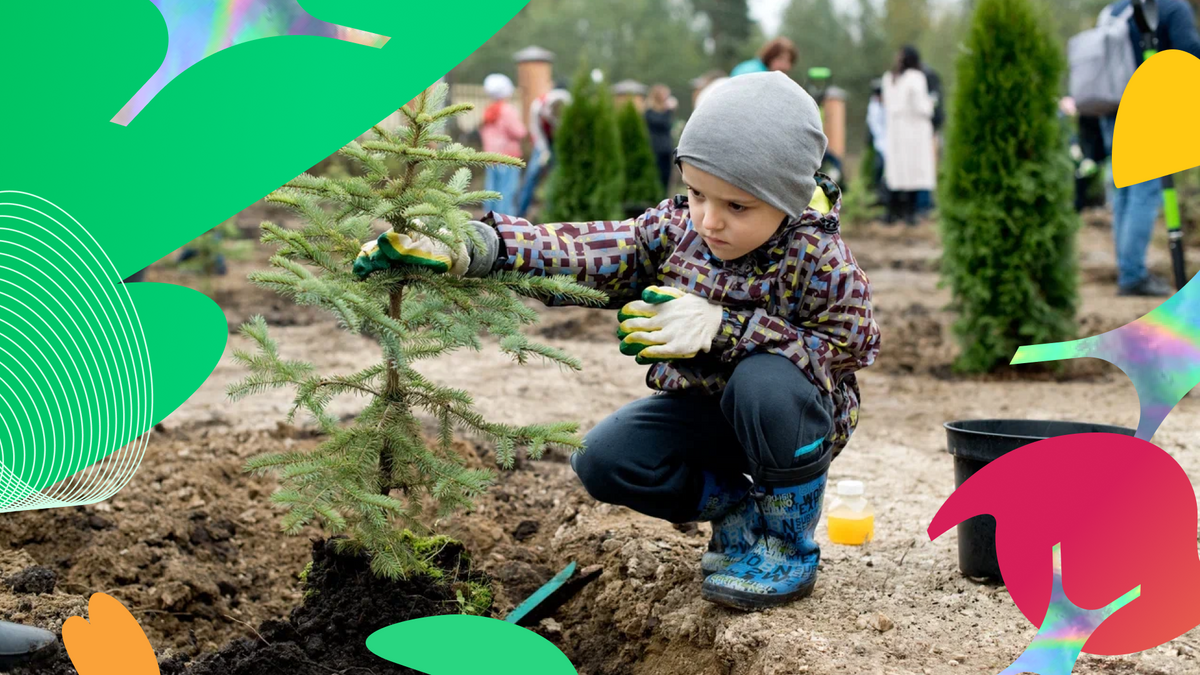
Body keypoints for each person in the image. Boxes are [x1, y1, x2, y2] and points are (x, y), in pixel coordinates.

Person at [353, 72, 880, 611]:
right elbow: (592, 249)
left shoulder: (818, 257)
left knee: (763, 380)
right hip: (707, 413)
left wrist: (730, 329)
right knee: (605, 459)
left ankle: (786, 547)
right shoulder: (680, 232)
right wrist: (481, 244)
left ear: (787, 200)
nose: (710, 220)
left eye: (737, 207)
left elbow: (853, 342)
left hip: (791, 425)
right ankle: (739, 513)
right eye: (697, 194)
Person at [1098, 0, 1200, 296]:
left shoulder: (1116, 9)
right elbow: (1189, 50)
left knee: (1125, 191)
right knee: (1146, 190)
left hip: (1111, 107)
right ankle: (1132, 274)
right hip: (1147, 106)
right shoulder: (1172, 7)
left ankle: (1127, 267)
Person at [881, 46, 936, 226]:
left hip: (895, 130)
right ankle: (910, 214)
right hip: (914, 131)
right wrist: (931, 104)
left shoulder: (889, 78)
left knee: (896, 172)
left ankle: (892, 212)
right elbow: (922, 106)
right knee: (914, 172)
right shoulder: (916, 77)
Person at [515, 87, 571, 219]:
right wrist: (544, 151)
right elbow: (536, 131)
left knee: (556, 177)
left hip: (559, 143)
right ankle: (519, 215)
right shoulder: (538, 106)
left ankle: (552, 213)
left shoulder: (568, 104)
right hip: (542, 142)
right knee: (532, 175)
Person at [479, 73, 526, 217]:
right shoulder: (507, 110)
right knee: (506, 192)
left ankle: (489, 222)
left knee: (491, 192)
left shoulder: (488, 111)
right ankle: (506, 225)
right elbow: (519, 132)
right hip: (508, 158)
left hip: (490, 157)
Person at [644, 84, 678, 193]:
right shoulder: (649, 112)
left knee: (666, 177)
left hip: (666, 148)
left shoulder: (664, 111)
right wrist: (669, 110)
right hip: (655, 148)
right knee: (657, 175)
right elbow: (662, 123)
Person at [866, 79, 888, 207]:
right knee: (879, 169)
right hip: (880, 143)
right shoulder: (873, 105)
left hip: (889, 143)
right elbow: (873, 124)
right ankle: (880, 196)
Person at [730, 37, 798, 77]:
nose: (786, 66)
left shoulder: (757, 69)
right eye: (781, 59)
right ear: (770, 56)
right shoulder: (755, 74)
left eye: (790, 61)